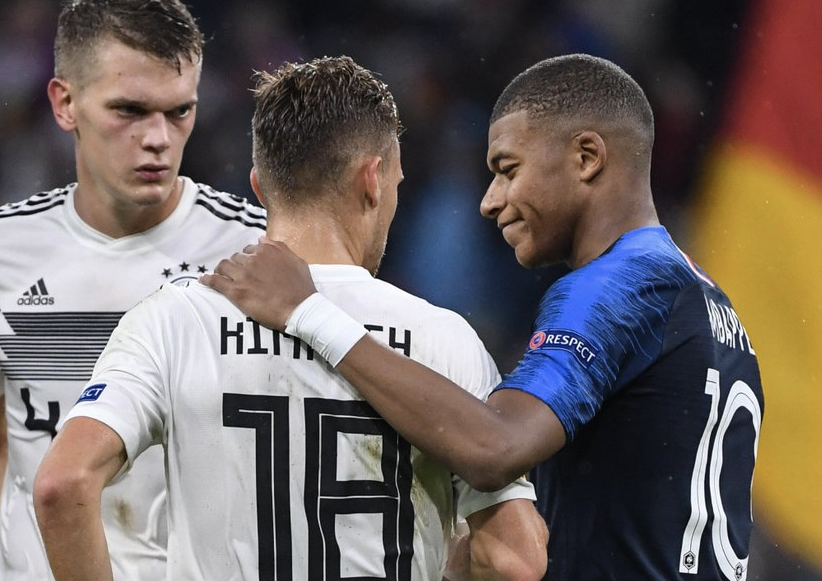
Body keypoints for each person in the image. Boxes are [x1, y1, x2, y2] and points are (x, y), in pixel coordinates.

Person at [202, 53, 766, 580]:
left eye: (508, 169)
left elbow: (495, 448)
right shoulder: (707, 300)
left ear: (586, 158)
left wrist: (308, 313)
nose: (490, 200)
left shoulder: (614, 286)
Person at [33, 56, 548, 581]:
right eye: (395, 181)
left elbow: (61, 485)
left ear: (260, 186)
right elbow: (515, 561)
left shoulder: (174, 320)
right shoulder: (445, 339)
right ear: (372, 180)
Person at [0, 1, 268, 578]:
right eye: (129, 110)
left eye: (180, 111)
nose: (158, 139)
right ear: (65, 103)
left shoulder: (257, 250)